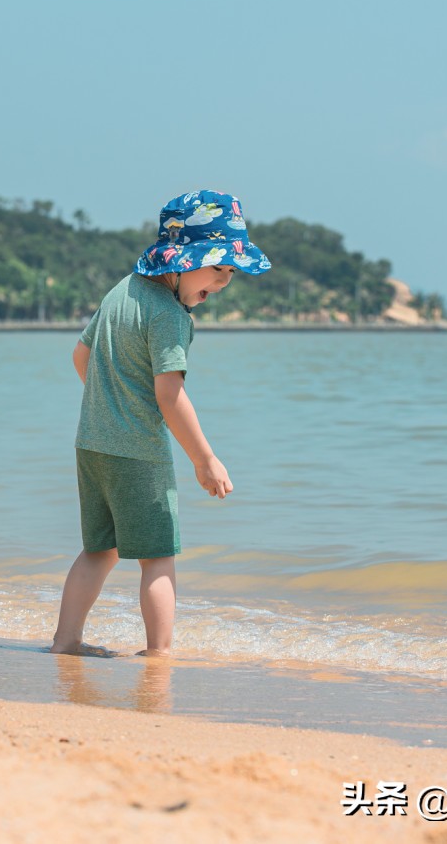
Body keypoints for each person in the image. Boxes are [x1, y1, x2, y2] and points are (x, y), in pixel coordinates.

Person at [50, 189, 271, 658]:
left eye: (230, 273)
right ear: (185, 258)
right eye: (217, 269)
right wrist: (204, 459)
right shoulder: (170, 316)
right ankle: (160, 653)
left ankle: (65, 642)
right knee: (158, 558)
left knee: (99, 550)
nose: (224, 282)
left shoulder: (121, 291)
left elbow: (80, 355)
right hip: (138, 451)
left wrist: (108, 401)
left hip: (92, 443)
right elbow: (169, 395)